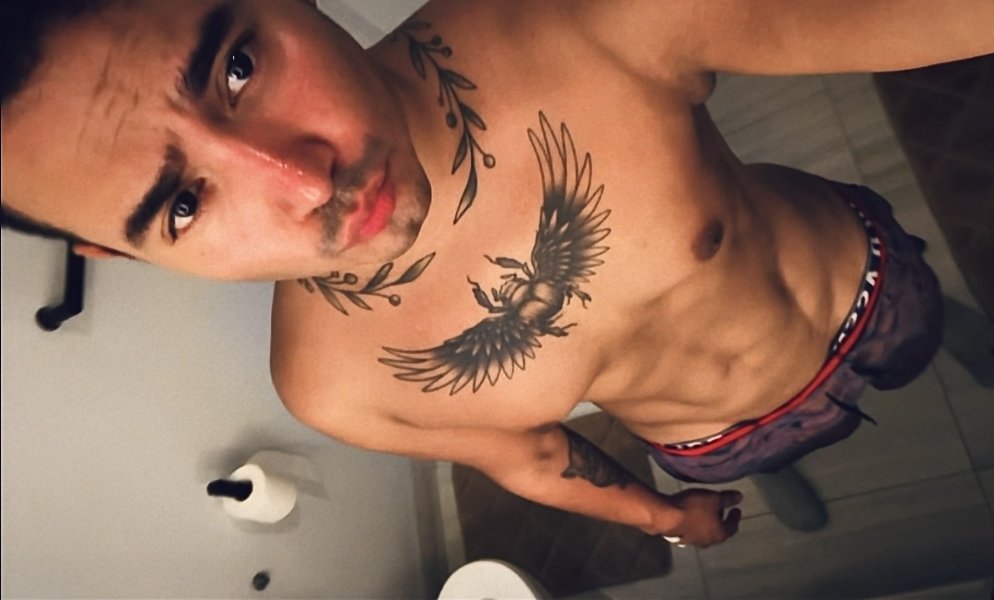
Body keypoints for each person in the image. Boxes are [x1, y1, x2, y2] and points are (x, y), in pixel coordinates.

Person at [2, 0, 990, 549]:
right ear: (126, 256)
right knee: (768, 471)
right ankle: (783, 469)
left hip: (863, 289)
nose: (305, 182)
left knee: (936, 328)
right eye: (182, 205)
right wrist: (662, 516)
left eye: (238, 67)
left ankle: (951, 328)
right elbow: (531, 457)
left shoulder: (576, 20)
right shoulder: (331, 385)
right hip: (711, 444)